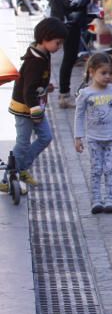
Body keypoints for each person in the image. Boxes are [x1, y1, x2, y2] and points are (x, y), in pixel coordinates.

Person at [4, 17, 67, 191]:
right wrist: (35, 108)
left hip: (35, 106)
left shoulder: (43, 54)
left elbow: (36, 83)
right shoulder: (35, 61)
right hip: (25, 107)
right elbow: (28, 90)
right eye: (58, 43)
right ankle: (10, 174)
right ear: (45, 39)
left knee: (45, 137)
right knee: (23, 141)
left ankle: (21, 168)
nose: (59, 47)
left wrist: (46, 87)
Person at [73, 53, 112, 214]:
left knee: (110, 168)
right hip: (94, 138)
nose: (108, 77)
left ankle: (110, 199)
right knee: (96, 168)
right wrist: (78, 137)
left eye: (110, 73)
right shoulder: (86, 94)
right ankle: (96, 199)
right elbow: (79, 115)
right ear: (92, 72)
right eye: (103, 73)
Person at [51, 0, 99, 108]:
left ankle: (65, 94)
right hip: (68, 23)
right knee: (69, 57)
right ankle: (64, 94)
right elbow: (71, 2)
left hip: (73, 21)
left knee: (70, 57)